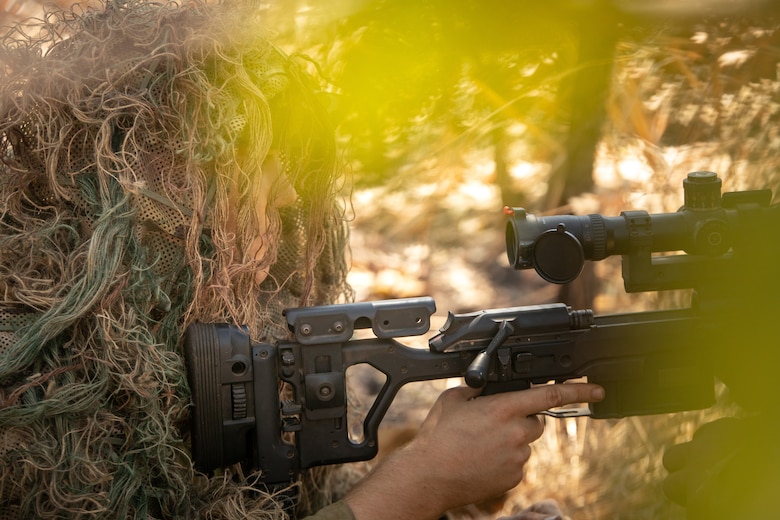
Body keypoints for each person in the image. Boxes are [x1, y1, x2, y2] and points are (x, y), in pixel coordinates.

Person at [0, 1, 603, 519]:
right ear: (165, 181)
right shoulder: (38, 388)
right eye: (254, 166)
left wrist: (446, 490)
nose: (290, 197)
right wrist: (420, 486)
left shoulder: (192, 307)